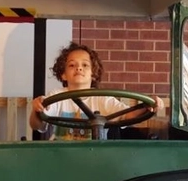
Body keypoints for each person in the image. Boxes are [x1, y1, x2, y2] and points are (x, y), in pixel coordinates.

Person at [29, 42, 163, 140]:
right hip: (61, 155)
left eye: (85, 65)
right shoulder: (57, 96)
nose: (79, 68)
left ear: (93, 73)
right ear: (63, 74)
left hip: (97, 154)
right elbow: (36, 125)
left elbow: (128, 116)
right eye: (72, 65)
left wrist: (148, 106)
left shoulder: (102, 99)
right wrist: (37, 110)